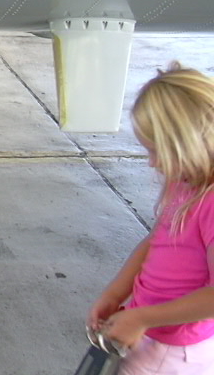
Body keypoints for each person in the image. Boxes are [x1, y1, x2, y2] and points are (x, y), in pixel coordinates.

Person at [87, 63, 214, 373]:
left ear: (189, 144)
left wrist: (142, 318)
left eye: (158, 152)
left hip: (172, 352)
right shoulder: (185, 180)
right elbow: (158, 239)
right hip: (151, 335)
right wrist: (116, 293)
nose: (153, 163)